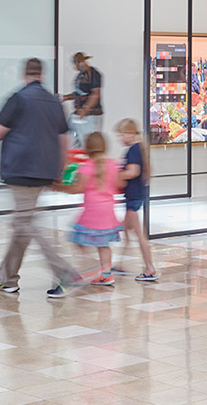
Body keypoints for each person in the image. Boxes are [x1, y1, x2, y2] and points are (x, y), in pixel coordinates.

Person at [0, 58, 84, 298]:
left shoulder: (18, 98)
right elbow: (64, 139)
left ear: (24, 75)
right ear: (42, 75)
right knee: (21, 225)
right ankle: (7, 279)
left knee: (26, 224)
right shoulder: (54, 102)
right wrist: (61, 170)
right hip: (44, 171)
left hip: (20, 170)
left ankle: (65, 273)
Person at [56, 131, 121, 286]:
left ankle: (87, 266)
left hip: (91, 212)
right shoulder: (112, 164)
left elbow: (78, 188)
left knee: (77, 238)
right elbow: (119, 185)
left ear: (87, 149)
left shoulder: (86, 166)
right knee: (104, 244)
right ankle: (106, 274)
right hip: (108, 212)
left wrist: (59, 187)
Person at [113, 118, 157, 282]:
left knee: (140, 235)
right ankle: (119, 263)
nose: (121, 138)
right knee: (126, 230)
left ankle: (150, 268)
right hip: (136, 195)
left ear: (131, 133)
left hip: (133, 196)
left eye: (122, 134)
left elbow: (133, 171)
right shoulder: (139, 148)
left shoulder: (133, 149)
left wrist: (116, 175)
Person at [63, 52, 102, 147]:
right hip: (78, 113)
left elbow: (95, 93)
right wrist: (65, 97)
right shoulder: (80, 76)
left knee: (86, 143)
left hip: (89, 115)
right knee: (72, 142)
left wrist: (85, 109)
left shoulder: (93, 74)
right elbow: (79, 93)